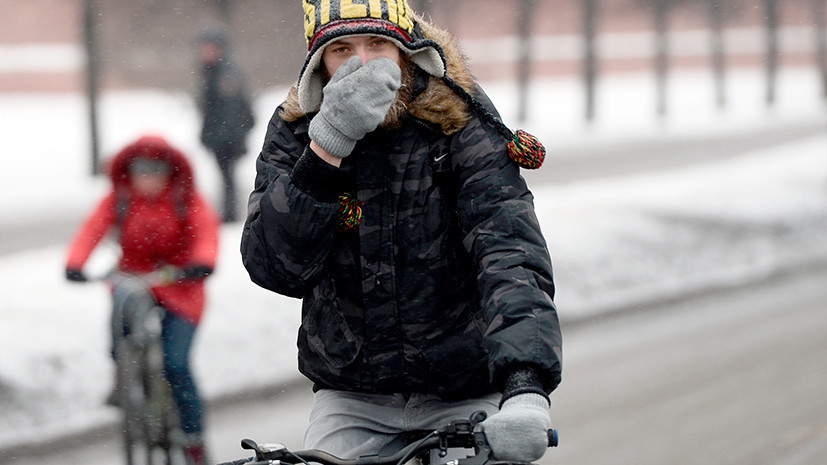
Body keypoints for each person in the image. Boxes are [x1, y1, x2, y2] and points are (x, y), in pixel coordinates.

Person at [241, 1, 561, 464]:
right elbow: (276, 268)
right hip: (352, 397)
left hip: (464, 391)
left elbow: (509, 250)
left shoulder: (458, 120)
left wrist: (525, 385)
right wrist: (327, 147)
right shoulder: (297, 130)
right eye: (342, 49)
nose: (365, 63)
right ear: (319, 62)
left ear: (405, 48)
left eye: (378, 44)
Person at [65, 135, 220, 465]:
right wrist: (75, 264)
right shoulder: (119, 199)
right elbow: (91, 230)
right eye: (141, 171)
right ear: (129, 172)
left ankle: (193, 439)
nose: (148, 179)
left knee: (175, 364)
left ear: (170, 172)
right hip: (134, 282)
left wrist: (200, 263)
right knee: (121, 311)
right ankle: (122, 374)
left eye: (156, 170)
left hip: (181, 289)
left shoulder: (186, 199)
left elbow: (207, 234)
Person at [197, 26, 255, 223]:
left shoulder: (225, 73)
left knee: (227, 176)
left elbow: (232, 109)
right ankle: (228, 212)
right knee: (226, 176)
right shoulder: (212, 71)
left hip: (227, 138)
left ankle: (230, 214)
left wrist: (228, 138)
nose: (206, 51)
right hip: (221, 136)